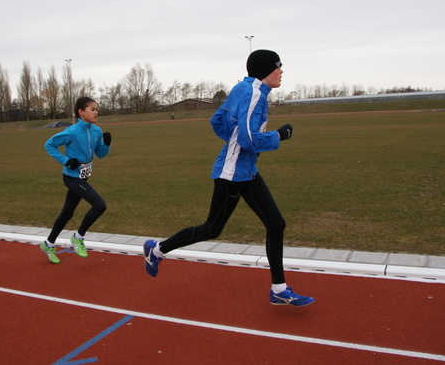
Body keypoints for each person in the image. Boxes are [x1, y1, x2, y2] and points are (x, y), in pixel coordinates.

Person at [143, 49, 314, 306]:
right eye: (278, 67)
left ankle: (278, 289)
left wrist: (234, 141)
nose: (281, 71)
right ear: (265, 70)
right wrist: (278, 136)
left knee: (276, 224)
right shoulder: (254, 93)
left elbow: (217, 121)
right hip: (231, 174)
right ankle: (156, 250)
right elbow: (248, 139)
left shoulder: (242, 89)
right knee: (212, 228)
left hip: (247, 171)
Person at [40, 97, 112, 264]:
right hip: (71, 178)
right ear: (81, 112)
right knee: (100, 205)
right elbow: (49, 145)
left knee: (67, 214)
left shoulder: (97, 131)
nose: (96, 112)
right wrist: (65, 160)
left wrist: (106, 143)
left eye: (96, 109)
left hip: (83, 177)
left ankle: (48, 244)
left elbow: (100, 154)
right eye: (92, 109)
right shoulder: (71, 131)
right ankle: (78, 237)